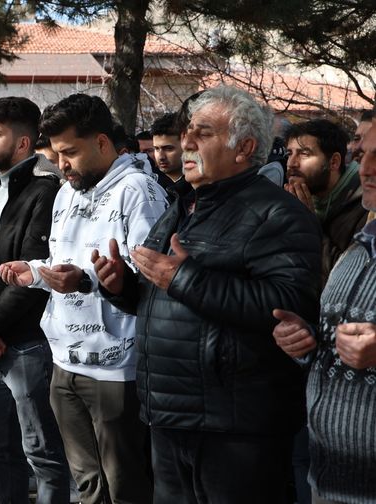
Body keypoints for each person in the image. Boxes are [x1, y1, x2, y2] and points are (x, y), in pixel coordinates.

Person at [93, 86, 322, 503]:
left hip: (234, 425)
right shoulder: (182, 205)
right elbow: (160, 295)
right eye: (187, 131)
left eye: (204, 132)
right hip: (169, 415)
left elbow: (287, 307)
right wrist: (122, 287)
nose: (187, 142)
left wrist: (183, 278)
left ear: (245, 148)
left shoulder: (278, 213)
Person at [1, 94, 164, 503]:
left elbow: (148, 277)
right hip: (64, 358)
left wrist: (95, 280)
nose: (62, 164)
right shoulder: (67, 191)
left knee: (124, 485)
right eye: (56, 154)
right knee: (88, 483)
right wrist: (37, 273)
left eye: (70, 152)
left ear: (103, 143)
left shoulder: (139, 190)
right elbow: (66, 264)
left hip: (117, 367)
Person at [0, 96, 71, 503]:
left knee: (42, 455)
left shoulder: (45, 193)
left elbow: (30, 276)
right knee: (1, 449)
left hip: (27, 343)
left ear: (23, 144)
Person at [272, 120, 376, 504]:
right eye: (363, 157)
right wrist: (303, 340)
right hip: (329, 471)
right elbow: (333, 319)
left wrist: (308, 228)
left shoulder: (353, 222)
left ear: (333, 162)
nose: (366, 170)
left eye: (305, 153)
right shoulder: (363, 243)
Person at [285, 119, 368, 285]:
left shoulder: (365, 207)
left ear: (334, 162)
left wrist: (308, 224)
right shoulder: (289, 197)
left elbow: (346, 279)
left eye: (304, 154)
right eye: (289, 153)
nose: (292, 163)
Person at [151, 112, 184, 184]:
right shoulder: (149, 185)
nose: (161, 157)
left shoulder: (203, 185)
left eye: (168, 149)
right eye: (156, 148)